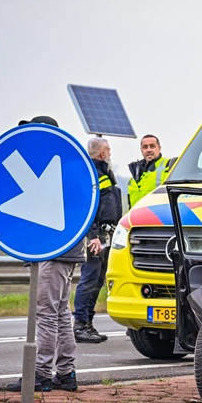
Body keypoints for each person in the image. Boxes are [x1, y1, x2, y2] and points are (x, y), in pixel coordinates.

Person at [6, 116, 86, 393]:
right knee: (60, 313)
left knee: (47, 313)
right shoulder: (69, 164)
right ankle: (65, 372)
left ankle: (40, 373)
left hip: (55, 252)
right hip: (65, 250)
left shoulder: (59, 167)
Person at [73, 137, 122, 343]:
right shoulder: (92, 173)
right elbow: (88, 208)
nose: (110, 153)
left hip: (106, 235)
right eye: (108, 150)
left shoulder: (103, 172)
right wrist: (93, 237)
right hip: (96, 237)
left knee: (97, 281)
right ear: (102, 153)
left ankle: (88, 324)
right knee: (89, 279)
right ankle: (80, 325)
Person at [127, 134, 175, 208]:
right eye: (145, 147)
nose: (149, 150)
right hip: (137, 214)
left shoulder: (169, 165)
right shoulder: (135, 172)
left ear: (159, 148)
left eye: (152, 146)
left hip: (161, 213)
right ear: (141, 150)